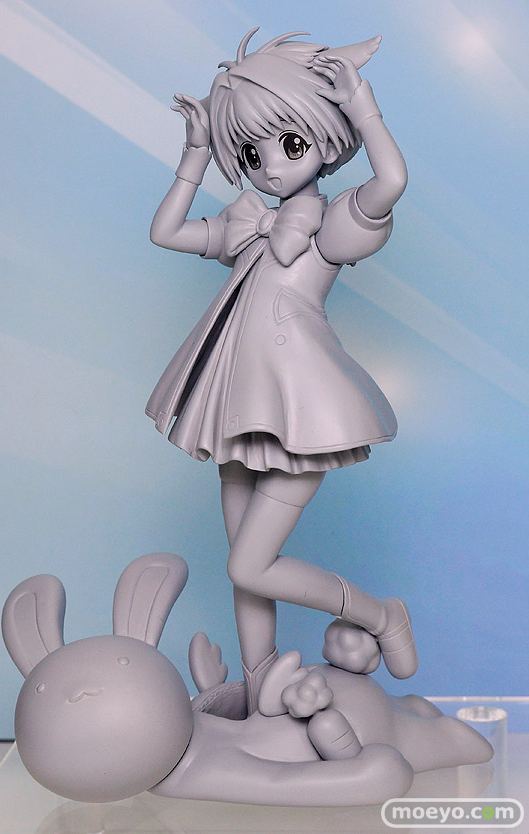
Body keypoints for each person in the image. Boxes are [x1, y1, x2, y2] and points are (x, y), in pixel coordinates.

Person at [147, 29, 417, 713]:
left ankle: (380, 613)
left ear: (323, 139)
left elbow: (391, 181)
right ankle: (263, 684)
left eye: (289, 144)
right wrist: (197, 150)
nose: (269, 168)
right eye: (252, 153)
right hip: (234, 406)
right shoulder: (249, 228)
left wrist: (362, 105)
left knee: (250, 562)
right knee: (244, 567)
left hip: (301, 409)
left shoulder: (329, 227)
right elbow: (166, 233)